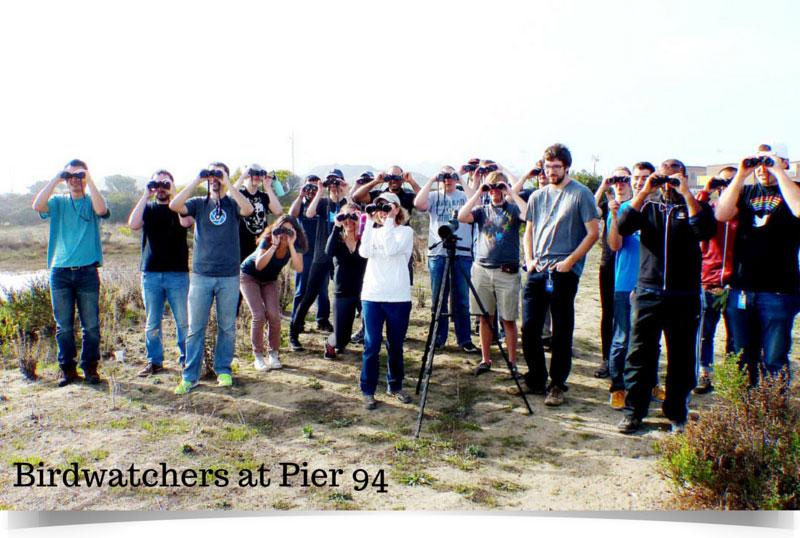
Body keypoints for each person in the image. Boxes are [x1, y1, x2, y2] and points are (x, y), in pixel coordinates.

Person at [616, 159, 716, 434]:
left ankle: (676, 412)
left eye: (675, 178)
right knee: (639, 355)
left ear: (684, 177)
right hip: (649, 291)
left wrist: (686, 194)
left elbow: (705, 231)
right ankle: (633, 412)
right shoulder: (647, 205)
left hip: (684, 295)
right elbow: (623, 226)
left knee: (682, 358)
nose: (669, 184)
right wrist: (646, 190)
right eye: (665, 178)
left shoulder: (695, 205)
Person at [521, 144, 600, 406]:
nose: (552, 171)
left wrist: (570, 262)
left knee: (561, 330)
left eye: (556, 166)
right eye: (547, 166)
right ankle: (536, 378)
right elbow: (529, 231)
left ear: (566, 166)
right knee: (530, 327)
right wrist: (530, 260)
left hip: (563, 272)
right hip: (537, 270)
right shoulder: (537, 196)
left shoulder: (581, 194)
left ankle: (557, 384)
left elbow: (592, 234)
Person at [715, 143, 800, 386]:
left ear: (784, 162)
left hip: (779, 290)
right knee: (741, 356)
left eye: (769, 162)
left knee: (774, 358)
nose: (762, 169)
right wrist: (741, 174)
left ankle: (773, 412)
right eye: (759, 163)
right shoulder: (745, 192)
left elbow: (798, 209)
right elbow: (721, 214)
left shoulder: (794, 190)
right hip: (743, 287)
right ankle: (743, 413)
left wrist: (779, 173)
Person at [169, 162, 254, 394]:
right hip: (201, 276)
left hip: (228, 275)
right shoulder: (198, 203)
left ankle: (223, 370)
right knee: (195, 328)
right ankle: (190, 376)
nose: (214, 179)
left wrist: (228, 183)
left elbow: (248, 210)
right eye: (212, 175)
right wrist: (198, 179)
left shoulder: (233, 203)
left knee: (227, 327)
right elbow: (175, 205)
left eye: (219, 174)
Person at [32, 159, 110, 386]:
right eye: (71, 177)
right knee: (64, 326)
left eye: (79, 177)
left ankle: (90, 368)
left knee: (91, 326)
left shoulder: (91, 200)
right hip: (61, 272)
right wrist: (58, 176)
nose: (75, 181)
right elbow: (37, 205)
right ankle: (67, 370)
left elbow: (102, 210)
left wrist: (90, 178)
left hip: (87, 272)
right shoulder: (58, 202)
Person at [457, 169, 527, 378]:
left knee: (508, 319)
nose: (494, 192)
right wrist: (479, 191)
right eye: (491, 187)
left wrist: (511, 192)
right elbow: (462, 216)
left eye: (499, 187)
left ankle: (512, 362)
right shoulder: (481, 211)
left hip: (507, 271)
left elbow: (528, 214)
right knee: (485, 318)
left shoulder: (513, 210)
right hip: (482, 270)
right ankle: (485, 359)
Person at [127, 169, 193, 377]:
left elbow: (187, 221)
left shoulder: (179, 208)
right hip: (152, 273)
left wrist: (174, 192)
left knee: (183, 321)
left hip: (177, 274)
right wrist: (146, 194)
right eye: (157, 185)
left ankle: (186, 360)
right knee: (152, 322)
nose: (161, 189)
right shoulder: (148, 207)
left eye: (165, 184)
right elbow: (133, 224)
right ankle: (154, 361)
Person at [358, 192, 415, 410]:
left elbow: (391, 249)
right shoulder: (374, 230)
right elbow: (364, 251)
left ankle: (395, 385)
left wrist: (390, 218)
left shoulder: (406, 232)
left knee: (395, 345)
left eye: (387, 207)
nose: (382, 211)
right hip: (372, 295)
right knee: (371, 345)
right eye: (378, 207)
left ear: (398, 209)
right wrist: (370, 223)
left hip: (397, 297)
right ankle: (368, 390)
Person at [414, 165, 478, 354]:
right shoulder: (434, 196)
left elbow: (477, 200)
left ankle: (464, 339)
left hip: (462, 251)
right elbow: (419, 204)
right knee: (438, 299)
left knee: (462, 299)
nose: (447, 180)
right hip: (438, 253)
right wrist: (433, 179)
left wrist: (460, 178)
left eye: (451, 177)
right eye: (445, 177)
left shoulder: (463, 195)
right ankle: (438, 338)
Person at [604, 163, 649, 409]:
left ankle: (646, 382)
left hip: (651, 285)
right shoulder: (622, 208)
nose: (640, 182)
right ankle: (618, 386)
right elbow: (614, 245)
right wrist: (614, 217)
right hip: (624, 283)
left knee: (648, 339)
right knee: (621, 338)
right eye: (637, 178)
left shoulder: (656, 209)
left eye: (644, 178)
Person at [289, 169, 348, 350]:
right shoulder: (323, 202)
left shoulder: (347, 202)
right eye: (331, 183)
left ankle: (342, 336)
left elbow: (357, 213)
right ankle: (294, 333)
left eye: (337, 182)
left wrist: (345, 192)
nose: (334, 186)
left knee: (346, 295)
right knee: (309, 293)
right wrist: (321, 190)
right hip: (322, 253)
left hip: (343, 256)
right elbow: (309, 213)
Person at [240, 215, 306, 371]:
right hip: (249, 276)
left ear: (295, 231)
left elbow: (299, 268)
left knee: (274, 315)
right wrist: (274, 246)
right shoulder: (268, 239)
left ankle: (273, 354)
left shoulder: (296, 244)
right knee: (259, 315)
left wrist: (290, 245)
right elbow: (259, 265)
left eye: (289, 230)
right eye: (282, 228)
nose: (284, 233)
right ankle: (258, 356)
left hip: (269, 280)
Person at [693, 166, 738, 394]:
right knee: (705, 332)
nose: (725, 187)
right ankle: (704, 374)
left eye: (731, 182)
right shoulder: (709, 211)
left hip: (736, 282)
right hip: (708, 280)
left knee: (736, 335)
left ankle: (733, 378)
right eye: (722, 183)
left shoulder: (744, 213)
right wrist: (706, 190)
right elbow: (695, 215)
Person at [289, 175, 333, 333]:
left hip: (321, 253)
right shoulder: (301, 204)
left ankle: (322, 320)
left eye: (316, 187)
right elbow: (292, 214)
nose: (312, 191)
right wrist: (300, 195)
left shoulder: (323, 204)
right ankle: (297, 321)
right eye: (309, 187)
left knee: (322, 290)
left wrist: (320, 193)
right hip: (305, 252)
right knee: (302, 289)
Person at [323, 203, 367, 359]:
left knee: (371, 326)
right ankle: (330, 343)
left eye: (352, 217)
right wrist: (336, 226)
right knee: (342, 339)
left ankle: (370, 353)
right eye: (344, 217)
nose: (348, 221)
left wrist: (364, 222)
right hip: (343, 293)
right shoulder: (338, 240)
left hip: (365, 292)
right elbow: (328, 252)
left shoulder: (365, 238)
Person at [234, 164, 283, 262]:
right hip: (240, 245)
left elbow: (278, 211)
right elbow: (226, 198)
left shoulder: (264, 196)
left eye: (259, 174)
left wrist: (268, 188)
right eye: (253, 173)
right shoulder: (238, 194)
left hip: (261, 245)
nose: (256, 177)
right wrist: (242, 177)